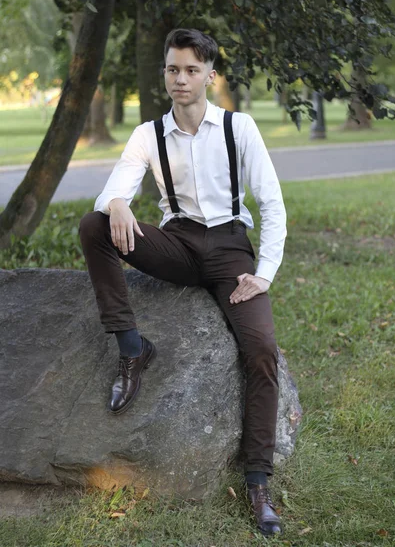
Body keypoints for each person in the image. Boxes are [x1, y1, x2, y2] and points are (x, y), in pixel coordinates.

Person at [79, 28, 287, 537]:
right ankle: (132, 347)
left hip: (231, 250)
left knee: (261, 350)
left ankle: (258, 482)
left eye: (192, 70)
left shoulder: (240, 128)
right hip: (177, 245)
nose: (180, 78)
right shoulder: (148, 134)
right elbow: (115, 190)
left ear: (210, 76)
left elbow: (273, 204)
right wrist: (119, 201)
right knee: (93, 225)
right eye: (173, 69)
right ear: (165, 74)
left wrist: (262, 276)